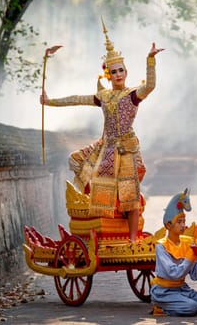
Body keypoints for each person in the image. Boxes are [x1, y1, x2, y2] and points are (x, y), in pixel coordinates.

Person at [40, 18, 164, 242]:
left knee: (130, 195)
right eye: (113, 71)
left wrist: (150, 60)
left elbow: (151, 85)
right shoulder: (103, 96)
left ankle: (133, 238)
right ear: (108, 75)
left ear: (126, 72)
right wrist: (50, 102)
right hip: (105, 149)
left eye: (121, 70)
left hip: (127, 151)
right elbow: (76, 99)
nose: (118, 74)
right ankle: (102, 231)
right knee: (81, 167)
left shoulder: (134, 95)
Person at [150, 189, 197, 316]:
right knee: (191, 307)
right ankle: (160, 307)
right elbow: (174, 273)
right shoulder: (161, 246)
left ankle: (180, 302)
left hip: (181, 288)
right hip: (164, 290)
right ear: (168, 225)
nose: (183, 225)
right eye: (179, 222)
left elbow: (195, 274)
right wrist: (192, 255)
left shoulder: (187, 242)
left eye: (184, 221)